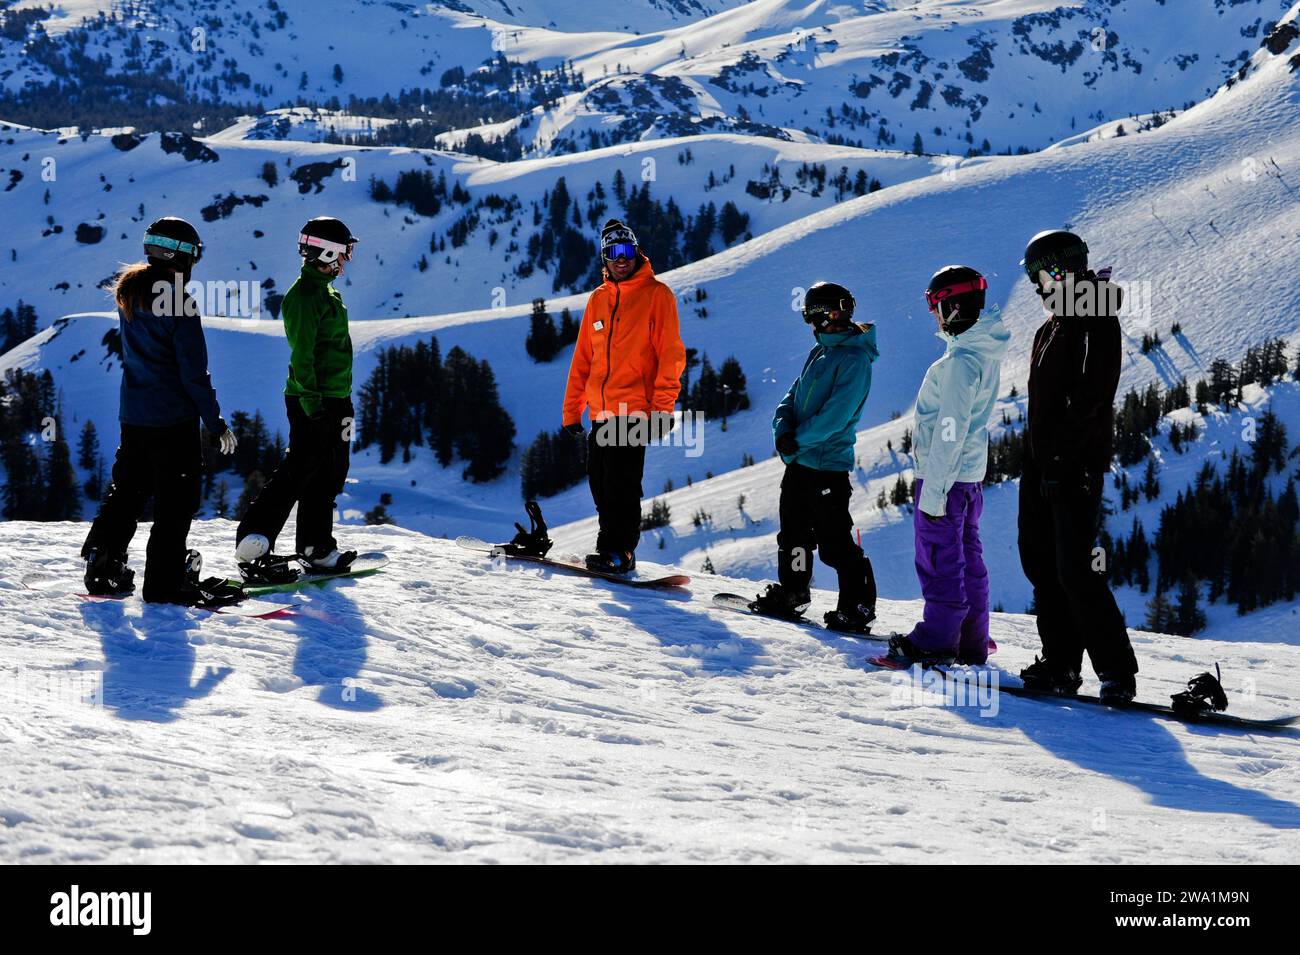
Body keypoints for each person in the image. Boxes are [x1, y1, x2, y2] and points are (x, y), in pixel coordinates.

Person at [82, 216, 239, 604]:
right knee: (176, 501)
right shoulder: (178, 301)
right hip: (172, 420)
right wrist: (215, 423)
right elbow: (193, 374)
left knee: (128, 492)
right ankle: (165, 583)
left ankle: (103, 566)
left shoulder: (130, 290)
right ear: (182, 257)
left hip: (134, 415)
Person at [1016, 229, 1138, 703]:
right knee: (1041, 565)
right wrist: (1039, 459)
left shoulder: (1094, 316)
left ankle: (1116, 671)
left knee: (1075, 569)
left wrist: (1064, 459)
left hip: (1074, 466)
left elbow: (1092, 396)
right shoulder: (1052, 325)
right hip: (1042, 465)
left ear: (1062, 268)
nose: (1035, 285)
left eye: (1039, 274)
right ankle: (1061, 663)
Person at [880, 266, 1009, 666]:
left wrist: (933, 491)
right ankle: (972, 638)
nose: (933, 316)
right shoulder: (980, 353)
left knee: (939, 558)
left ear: (952, 307)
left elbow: (949, 431)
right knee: (967, 556)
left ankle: (937, 639)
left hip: (945, 479)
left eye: (936, 307)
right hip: (967, 479)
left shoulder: (958, 364)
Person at [234, 216, 358, 583]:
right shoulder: (304, 297)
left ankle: (315, 548)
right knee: (299, 471)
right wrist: (312, 406)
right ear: (328, 252)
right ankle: (253, 543)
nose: (347, 259)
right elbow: (301, 357)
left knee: (331, 473)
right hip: (313, 400)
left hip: (335, 399)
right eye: (344, 252)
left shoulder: (327, 292)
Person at [750, 282, 879, 633]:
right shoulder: (820, 351)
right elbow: (790, 398)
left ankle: (857, 605)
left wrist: (797, 441)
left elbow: (836, 418)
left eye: (817, 316)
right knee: (793, 534)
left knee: (835, 541)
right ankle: (794, 591)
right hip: (801, 464)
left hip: (827, 468)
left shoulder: (854, 360)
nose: (817, 323)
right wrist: (783, 431)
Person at [561, 218, 686, 575]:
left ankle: (620, 552)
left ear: (637, 252)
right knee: (600, 481)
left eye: (627, 251)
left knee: (621, 483)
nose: (621, 258)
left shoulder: (656, 295)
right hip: (601, 411)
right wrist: (572, 410)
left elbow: (671, 355)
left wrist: (662, 409)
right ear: (604, 257)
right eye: (613, 252)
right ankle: (610, 546)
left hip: (635, 410)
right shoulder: (598, 300)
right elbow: (583, 358)